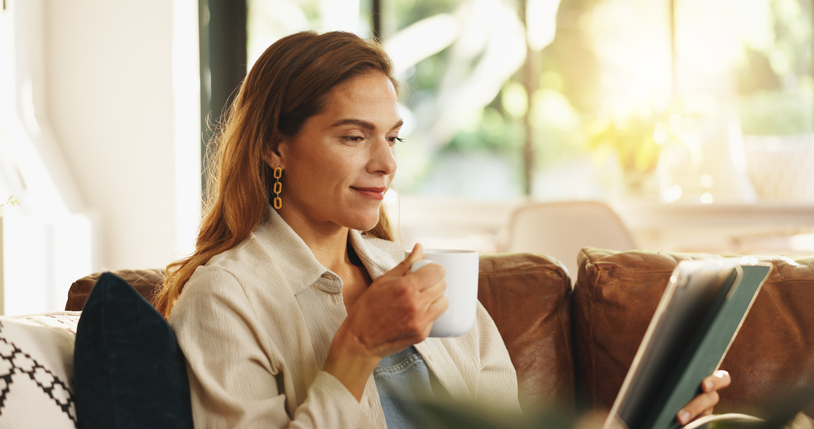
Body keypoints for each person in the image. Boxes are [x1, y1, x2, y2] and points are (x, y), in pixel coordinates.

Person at [152, 30, 730, 428]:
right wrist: (356, 349)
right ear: (275, 147)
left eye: (392, 137)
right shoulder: (226, 297)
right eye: (354, 137)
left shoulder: (421, 275)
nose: (386, 163)